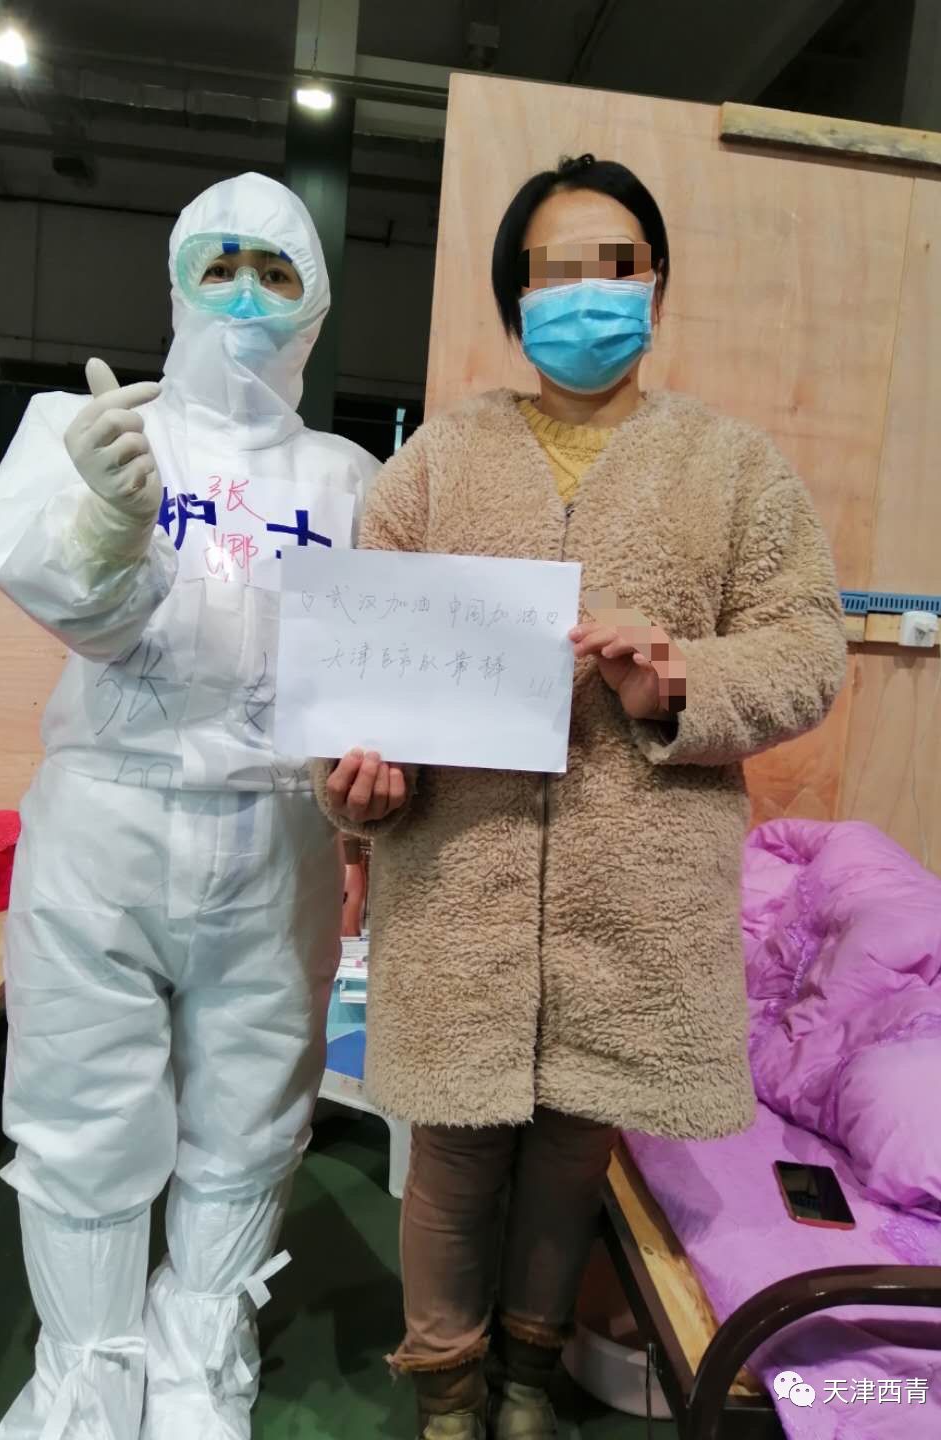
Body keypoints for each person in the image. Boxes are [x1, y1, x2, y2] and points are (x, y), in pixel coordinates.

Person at [313, 153, 847, 1440]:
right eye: (558, 270)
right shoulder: (435, 466)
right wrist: (362, 791)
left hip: (637, 892)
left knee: (569, 1150)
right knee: (451, 1149)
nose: (590, 294)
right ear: (516, 294)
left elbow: (808, 651)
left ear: (656, 284)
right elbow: (356, 666)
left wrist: (679, 677)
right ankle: (447, 1394)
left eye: (619, 264)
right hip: (462, 875)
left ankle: (528, 1380)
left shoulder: (734, 468)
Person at [0, 172, 379, 1440]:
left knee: (251, 1107)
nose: (246, 294)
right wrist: (108, 519)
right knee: (82, 1107)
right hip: (109, 820)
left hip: (279, 832)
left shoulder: (349, 477)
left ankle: (202, 1361)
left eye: (277, 271)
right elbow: (77, 611)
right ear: (175, 281)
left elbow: (383, 667)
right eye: (220, 265)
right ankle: (89, 1374)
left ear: (315, 304)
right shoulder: (88, 429)